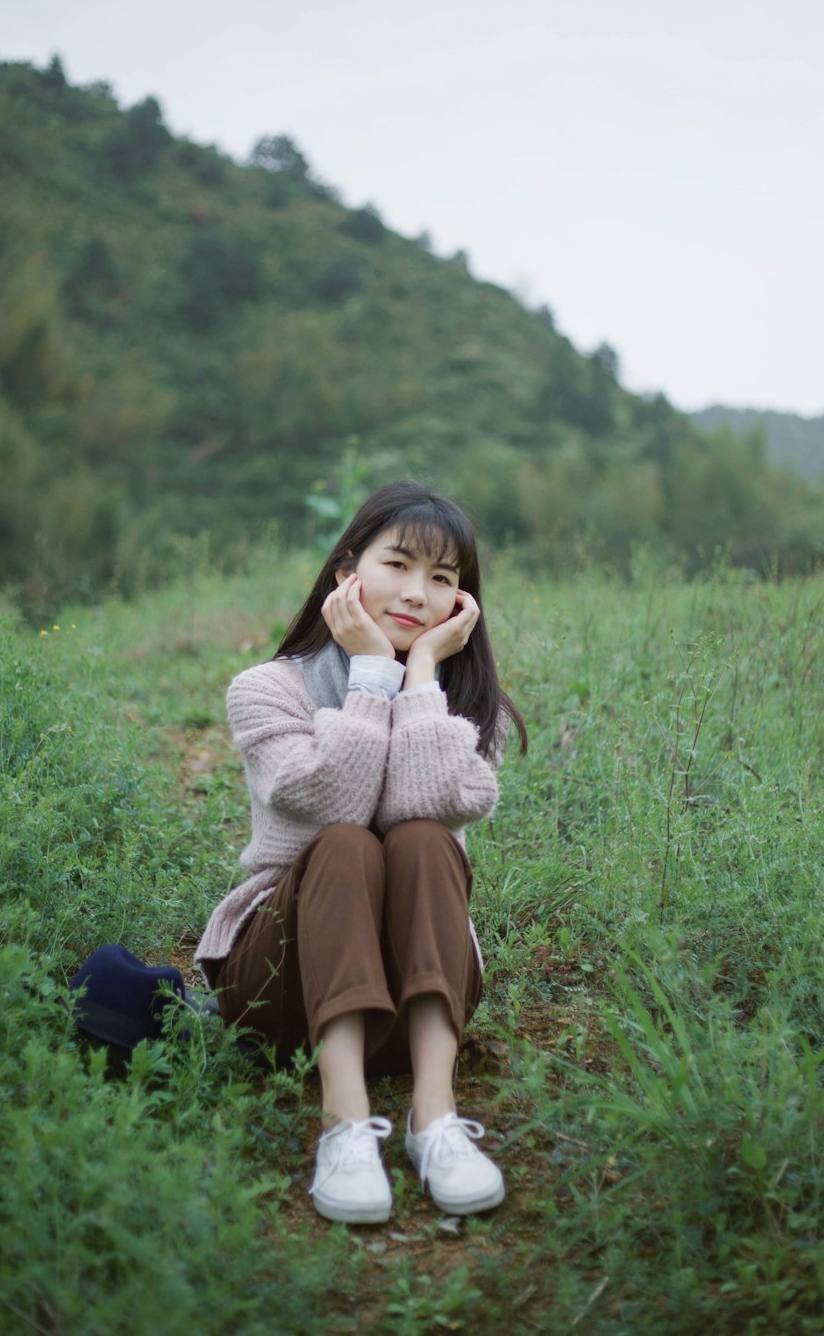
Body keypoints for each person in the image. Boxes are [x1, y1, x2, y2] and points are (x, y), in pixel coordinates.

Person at [195, 480, 527, 1224]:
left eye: (442, 579)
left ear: (462, 605)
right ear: (347, 571)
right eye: (398, 565)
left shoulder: (472, 713)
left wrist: (419, 681)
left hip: (420, 996)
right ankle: (344, 1127)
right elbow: (334, 806)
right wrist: (373, 673)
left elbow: (421, 807)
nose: (416, 594)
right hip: (286, 988)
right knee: (345, 843)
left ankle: (433, 1119)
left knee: (421, 839)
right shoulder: (266, 691)